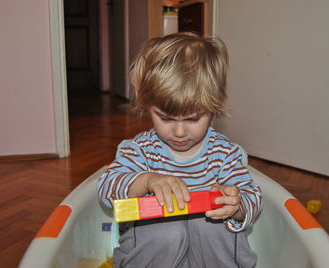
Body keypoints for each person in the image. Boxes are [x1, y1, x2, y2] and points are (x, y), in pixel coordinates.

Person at [98, 32, 262, 268]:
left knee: (211, 225)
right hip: (155, 256)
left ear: (214, 107)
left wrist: (236, 205)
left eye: (193, 119)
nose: (179, 132)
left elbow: (252, 196)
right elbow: (107, 190)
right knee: (166, 229)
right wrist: (146, 181)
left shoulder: (224, 153)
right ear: (147, 106)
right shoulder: (140, 150)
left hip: (209, 258)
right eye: (165, 118)